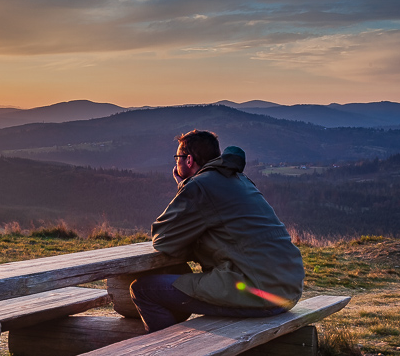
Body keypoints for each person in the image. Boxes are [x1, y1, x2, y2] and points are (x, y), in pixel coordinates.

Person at [129, 129, 304, 332]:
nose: (175, 162)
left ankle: (168, 355)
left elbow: (162, 239)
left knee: (143, 289)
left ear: (188, 160)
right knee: (177, 276)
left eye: (177, 157)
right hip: (287, 288)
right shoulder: (237, 179)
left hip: (259, 293)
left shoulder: (200, 186)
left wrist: (184, 187)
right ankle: (183, 343)